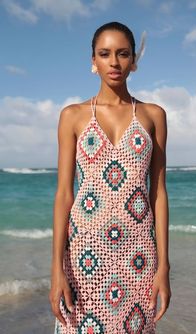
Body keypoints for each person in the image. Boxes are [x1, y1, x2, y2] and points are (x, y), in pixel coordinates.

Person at [49, 21, 171, 333]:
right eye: (104, 54)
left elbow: (157, 193)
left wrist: (164, 266)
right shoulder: (72, 116)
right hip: (85, 252)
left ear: (134, 61)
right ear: (93, 60)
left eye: (123, 54)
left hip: (138, 252)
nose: (114, 62)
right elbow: (64, 193)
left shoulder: (153, 115)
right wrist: (56, 269)